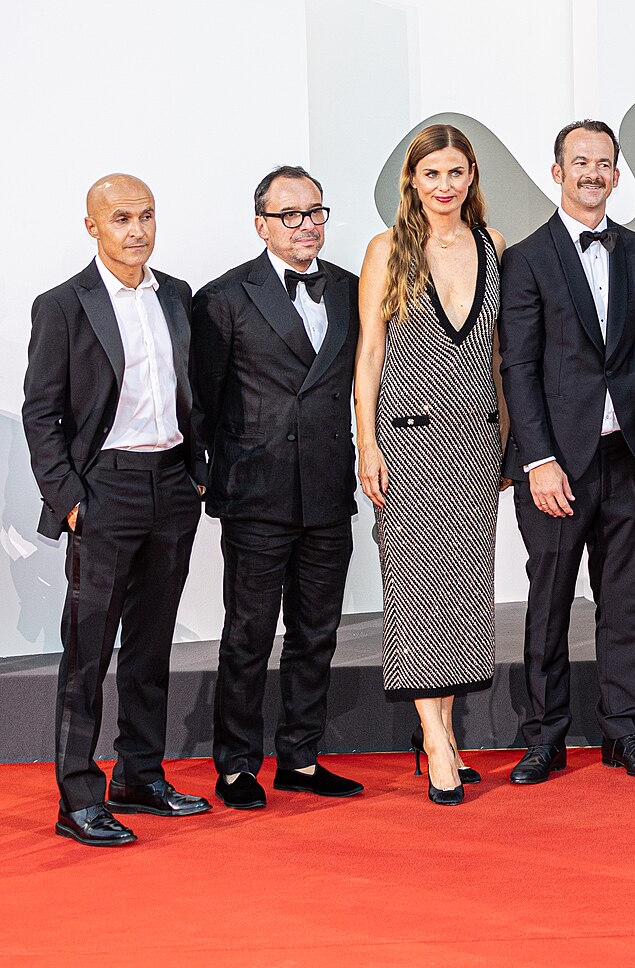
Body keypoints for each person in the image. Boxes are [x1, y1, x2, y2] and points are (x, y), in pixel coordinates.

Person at [25, 175, 210, 846]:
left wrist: (196, 472)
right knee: (88, 648)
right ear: (92, 226)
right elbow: (40, 413)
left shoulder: (179, 297)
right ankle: (78, 798)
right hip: (105, 489)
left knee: (151, 644)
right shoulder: (62, 306)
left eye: (147, 215)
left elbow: (195, 392)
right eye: (122, 217)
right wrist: (70, 501)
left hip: (170, 485)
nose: (137, 229)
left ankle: (140, 776)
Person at [499, 120, 635, 785]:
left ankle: (623, 735)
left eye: (604, 162)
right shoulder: (528, 257)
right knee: (548, 603)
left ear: (617, 173)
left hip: (625, 456)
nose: (593, 173)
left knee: (622, 603)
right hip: (555, 467)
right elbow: (519, 365)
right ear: (557, 172)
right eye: (580, 162)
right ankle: (544, 739)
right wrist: (537, 458)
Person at [191, 166, 362, 810]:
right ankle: (236, 765)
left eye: (315, 212)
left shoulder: (348, 289)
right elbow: (202, 404)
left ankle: (300, 758)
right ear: (260, 223)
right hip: (255, 495)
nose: (306, 225)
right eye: (290, 215)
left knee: (317, 632)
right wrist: (219, 477)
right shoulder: (224, 297)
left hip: (326, 491)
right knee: (249, 635)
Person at [354, 124, 508, 807]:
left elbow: (498, 358)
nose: (444, 186)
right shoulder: (386, 250)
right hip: (407, 444)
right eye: (431, 174)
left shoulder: (493, 246)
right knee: (415, 594)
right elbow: (369, 357)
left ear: (471, 176)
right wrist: (366, 444)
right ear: (412, 181)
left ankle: (441, 731)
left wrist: (508, 438)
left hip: (476, 443)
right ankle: (438, 742)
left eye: (456, 172)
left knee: (463, 591)